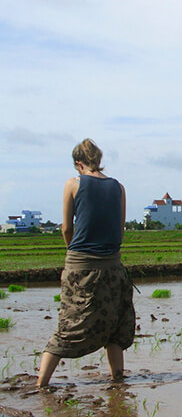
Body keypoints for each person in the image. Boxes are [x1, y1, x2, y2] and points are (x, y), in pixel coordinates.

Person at [38, 139, 134, 386]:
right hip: (113, 266)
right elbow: (120, 230)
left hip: (80, 266)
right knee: (115, 324)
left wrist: (73, 251)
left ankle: (41, 384)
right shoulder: (118, 187)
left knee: (70, 324)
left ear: (78, 163)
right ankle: (117, 379)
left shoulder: (74, 184)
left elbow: (67, 227)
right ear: (99, 160)